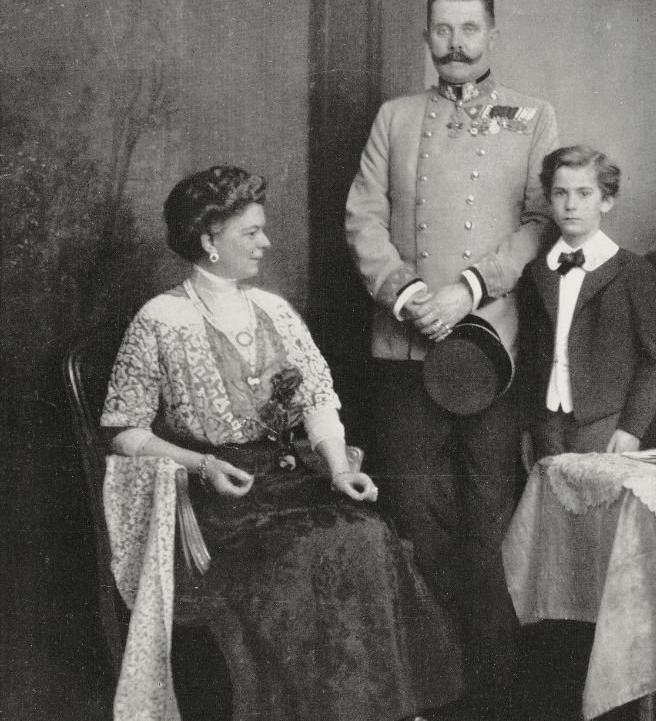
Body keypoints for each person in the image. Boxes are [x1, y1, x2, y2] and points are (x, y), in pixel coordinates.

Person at [101, 165, 460, 721]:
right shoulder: (160, 319)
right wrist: (202, 464)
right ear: (208, 240)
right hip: (221, 503)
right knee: (309, 554)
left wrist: (339, 470)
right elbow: (126, 432)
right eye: (251, 232)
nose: (266, 242)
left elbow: (317, 399)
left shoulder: (273, 310)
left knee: (366, 533)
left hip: (287, 480)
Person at [343, 0, 558, 714]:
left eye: (470, 29)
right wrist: (406, 295)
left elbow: (538, 221)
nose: (456, 43)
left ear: (492, 34)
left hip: (488, 353)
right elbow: (362, 219)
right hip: (404, 353)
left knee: (490, 521)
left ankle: (493, 694)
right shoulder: (395, 118)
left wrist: (470, 288)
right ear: (426, 37)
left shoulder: (533, 118)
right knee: (412, 519)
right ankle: (430, 690)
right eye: (442, 30)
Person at [518, 145, 656, 457]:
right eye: (560, 193)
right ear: (549, 199)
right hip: (545, 424)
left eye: (584, 194)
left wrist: (632, 429)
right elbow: (529, 354)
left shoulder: (633, 271)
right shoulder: (536, 272)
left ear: (607, 201)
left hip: (604, 424)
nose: (570, 205)